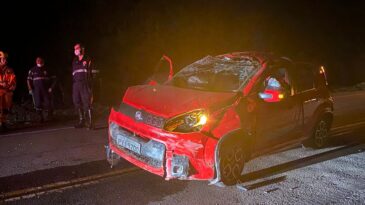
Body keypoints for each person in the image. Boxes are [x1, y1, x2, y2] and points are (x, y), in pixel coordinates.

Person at [72, 43, 94, 129]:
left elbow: (91, 73)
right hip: (76, 84)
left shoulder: (87, 59)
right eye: (75, 49)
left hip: (85, 83)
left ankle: (90, 123)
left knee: (87, 102)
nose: (76, 50)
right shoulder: (74, 60)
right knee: (77, 101)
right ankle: (82, 121)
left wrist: (90, 85)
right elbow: (73, 73)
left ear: (82, 49)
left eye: (77, 48)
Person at [27, 57, 56, 122]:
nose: (39, 62)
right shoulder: (32, 70)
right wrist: (30, 89)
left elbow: (54, 79)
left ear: (43, 61)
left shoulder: (47, 69)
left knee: (48, 103)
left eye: (40, 60)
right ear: (36, 61)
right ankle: (40, 117)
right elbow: (29, 80)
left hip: (46, 89)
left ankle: (50, 116)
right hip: (36, 90)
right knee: (38, 104)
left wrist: (51, 87)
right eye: (38, 60)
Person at [0, 51, 16, 131]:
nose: (5, 60)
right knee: (0, 108)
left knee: (6, 108)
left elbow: (13, 80)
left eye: (5, 59)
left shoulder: (9, 70)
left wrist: (11, 87)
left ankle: (3, 123)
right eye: (3, 59)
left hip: (7, 91)